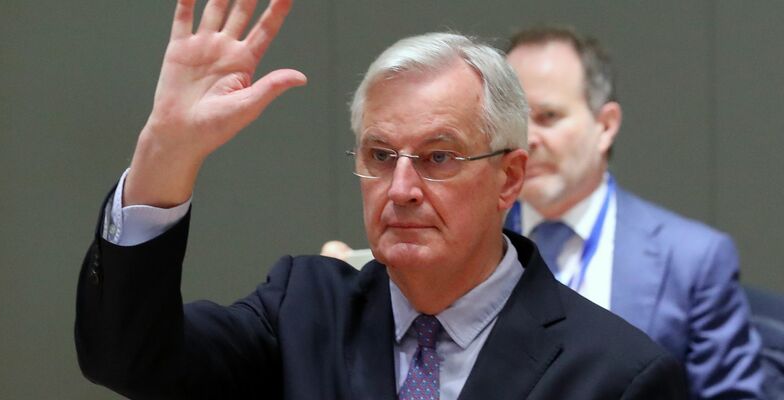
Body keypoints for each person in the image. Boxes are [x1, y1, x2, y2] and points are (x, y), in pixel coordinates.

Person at [75, 1, 688, 399]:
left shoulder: (618, 375)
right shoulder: (304, 310)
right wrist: (165, 155)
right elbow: (129, 361)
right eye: (379, 155)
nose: (400, 189)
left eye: (438, 157)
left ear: (509, 178)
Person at [503, 27, 765, 399]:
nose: (527, 137)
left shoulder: (693, 261)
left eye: (548, 116)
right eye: (515, 118)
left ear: (605, 125)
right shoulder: (472, 243)